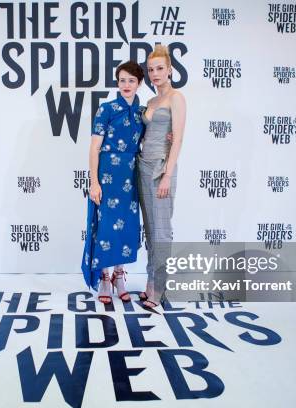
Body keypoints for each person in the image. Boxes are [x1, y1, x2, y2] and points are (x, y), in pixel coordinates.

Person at [81, 61, 146, 304]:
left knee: (126, 228)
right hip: (107, 177)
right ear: (117, 83)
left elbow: (150, 138)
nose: (126, 85)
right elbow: (94, 147)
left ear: (139, 83)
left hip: (130, 177)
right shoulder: (106, 109)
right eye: (122, 80)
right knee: (106, 227)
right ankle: (105, 278)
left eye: (131, 80)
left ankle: (120, 276)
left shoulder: (143, 112)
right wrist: (94, 182)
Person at [138, 44, 187, 309]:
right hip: (143, 168)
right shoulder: (151, 101)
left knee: (162, 232)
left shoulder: (176, 98)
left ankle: (159, 290)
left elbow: (178, 138)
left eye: (160, 68)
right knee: (150, 230)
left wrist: (168, 174)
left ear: (169, 70)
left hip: (161, 169)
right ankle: (149, 285)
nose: (155, 73)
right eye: (151, 69)